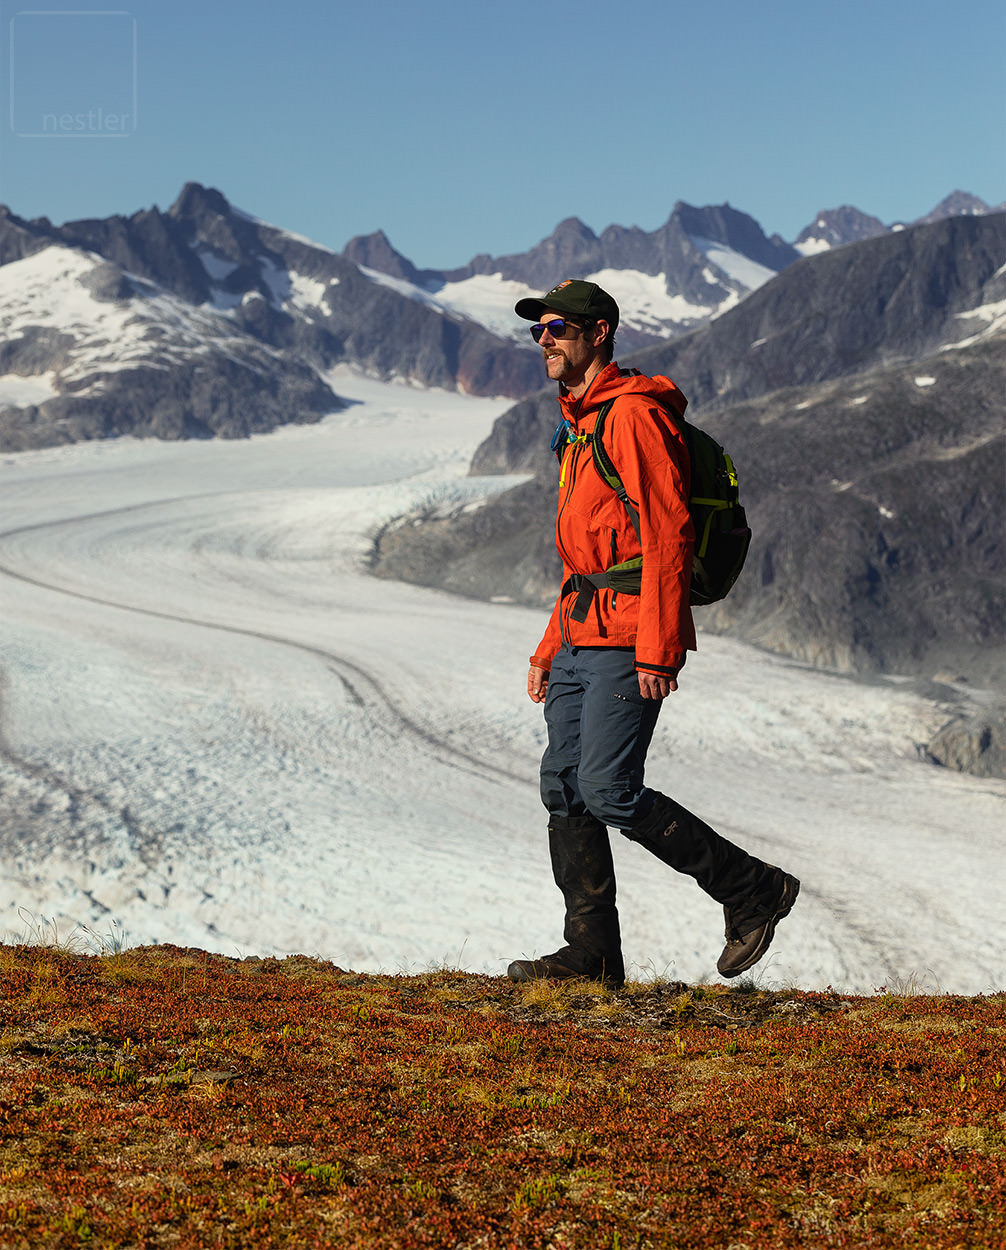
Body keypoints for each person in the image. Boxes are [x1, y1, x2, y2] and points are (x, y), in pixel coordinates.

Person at [507, 279, 799, 990]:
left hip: (630, 633)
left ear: (598, 332)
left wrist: (660, 646)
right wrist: (551, 645)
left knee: (607, 786)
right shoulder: (579, 422)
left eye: (557, 328)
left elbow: (666, 535)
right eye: (538, 329)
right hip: (581, 634)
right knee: (564, 786)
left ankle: (751, 889)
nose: (544, 339)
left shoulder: (632, 418)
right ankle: (592, 954)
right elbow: (587, 560)